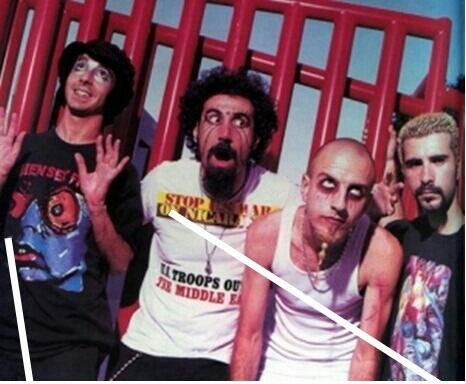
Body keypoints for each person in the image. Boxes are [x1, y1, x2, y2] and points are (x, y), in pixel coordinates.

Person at [107, 66, 297, 380]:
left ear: (256, 139)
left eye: (241, 122)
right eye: (213, 118)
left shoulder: (280, 196)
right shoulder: (165, 181)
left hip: (218, 361)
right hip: (147, 348)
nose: (225, 133)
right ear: (195, 131)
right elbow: (114, 241)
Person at [0, 40, 143, 380]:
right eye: (80, 67)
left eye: (101, 74)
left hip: (70, 342)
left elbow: (121, 261)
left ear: (113, 94)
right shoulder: (22, 149)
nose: (86, 78)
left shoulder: (116, 171)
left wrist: (96, 207)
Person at [230, 138, 403, 381]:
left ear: (366, 204)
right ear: (305, 187)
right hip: (275, 368)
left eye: (355, 192)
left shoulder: (381, 252)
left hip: (339, 373)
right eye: (328, 185)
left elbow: (366, 357)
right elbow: (249, 336)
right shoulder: (268, 234)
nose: (340, 204)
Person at [379, 112, 464, 380]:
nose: (426, 176)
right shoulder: (398, 237)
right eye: (415, 164)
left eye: (438, 160)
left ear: (459, 165)